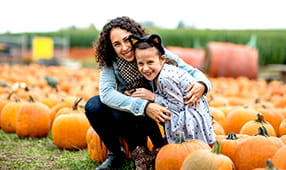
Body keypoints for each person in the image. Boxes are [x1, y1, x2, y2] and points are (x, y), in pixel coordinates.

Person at [84, 16, 212, 170]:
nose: (124, 47)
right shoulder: (111, 62)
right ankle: (116, 153)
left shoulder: (151, 50)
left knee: (129, 102)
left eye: (126, 40)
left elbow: (189, 69)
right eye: (117, 44)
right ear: (111, 47)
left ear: (135, 36)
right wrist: (143, 106)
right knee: (94, 105)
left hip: (164, 107)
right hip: (134, 107)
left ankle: (157, 147)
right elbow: (106, 93)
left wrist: (202, 84)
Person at [129, 33, 215, 144]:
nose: (145, 68)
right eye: (140, 63)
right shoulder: (160, 72)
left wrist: (152, 96)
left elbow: (177, 107)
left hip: (191, 117)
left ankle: (176, 141)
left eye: (150, 62)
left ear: (162, 59)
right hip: (190, 110)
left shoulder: (165, 78)